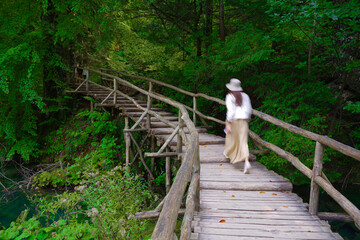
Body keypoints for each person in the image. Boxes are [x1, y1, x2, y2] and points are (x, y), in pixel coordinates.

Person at [223, 78, 253, 174]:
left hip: (234, 121)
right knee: (244, 142)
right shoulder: (246, 96)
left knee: (232, 138)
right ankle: (247, 162)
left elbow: (231, 111)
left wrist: (228, 122)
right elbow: (249, 110)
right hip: (244, 120)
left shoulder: (230, 96)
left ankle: (229, 154)